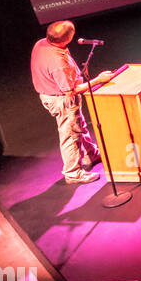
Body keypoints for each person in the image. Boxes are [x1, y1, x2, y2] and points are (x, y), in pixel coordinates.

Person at [29, 20, 114, 184]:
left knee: (79, 124)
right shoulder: (57, 63)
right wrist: (98, 80)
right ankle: (73, 173)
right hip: (61, 99)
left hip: (51, 93)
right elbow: (69, 91)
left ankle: (91, 154)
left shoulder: (41, 43)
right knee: (70, 134)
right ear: (67, 39)